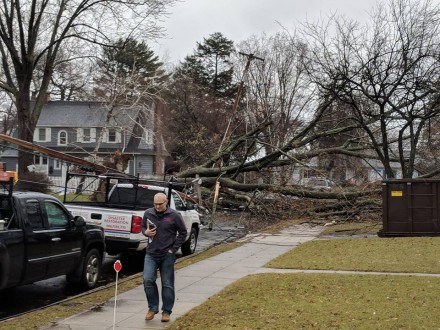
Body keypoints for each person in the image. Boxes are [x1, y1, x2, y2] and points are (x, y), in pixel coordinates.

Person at [142, 192, 187, 323]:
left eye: (160, 204)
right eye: (155, 204)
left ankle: (166, 311)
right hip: (151, 253)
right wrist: (145, 232)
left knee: (167, 284)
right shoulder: (148, 213)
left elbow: (183, 233)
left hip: (167, 255)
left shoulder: (174, 215)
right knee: (148, 280)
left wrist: (173, 249)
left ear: (166, 202)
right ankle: (152, 308)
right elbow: (143, 226)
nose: (157, 206)